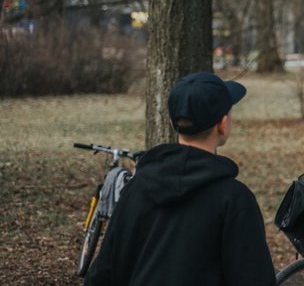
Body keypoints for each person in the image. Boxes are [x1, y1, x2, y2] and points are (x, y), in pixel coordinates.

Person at [84, 72, 275, 286]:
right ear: (223, 124)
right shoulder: (234, 199)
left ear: (172, 123)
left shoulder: (136, 188)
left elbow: (103, 272)